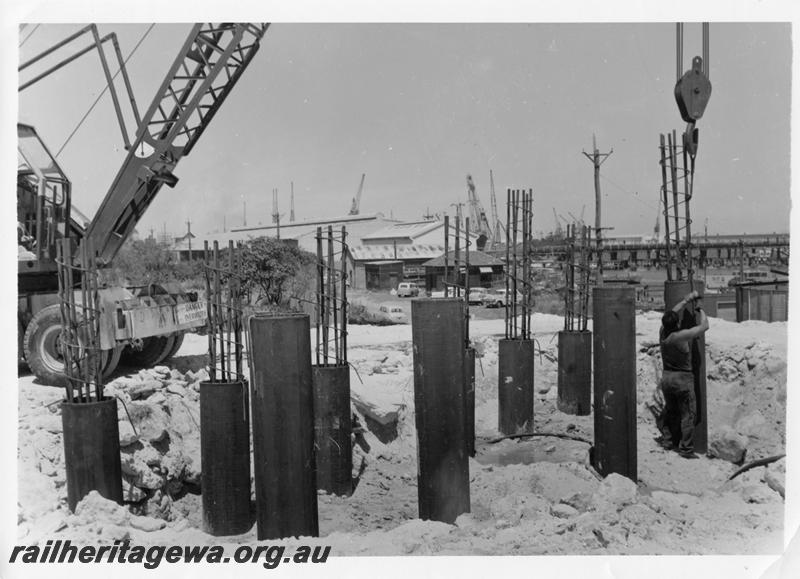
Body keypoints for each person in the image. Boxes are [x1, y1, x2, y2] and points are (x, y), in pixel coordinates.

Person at [658, 289, 709, 459]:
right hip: (682, 378)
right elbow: (704, 326)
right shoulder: (681, 336)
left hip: (667, 377)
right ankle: (686, 449)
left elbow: (672, 313)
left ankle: (668, 441)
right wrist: (700, 309)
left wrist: (685, 300)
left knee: (671, 411)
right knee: (688, 415)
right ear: (677, 322)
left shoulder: (662, 333)